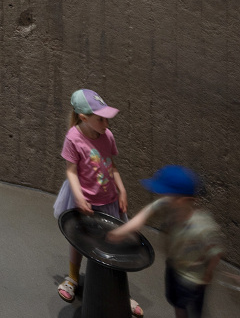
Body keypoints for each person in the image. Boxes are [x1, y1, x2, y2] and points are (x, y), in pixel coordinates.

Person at [112, 166, 225, 318]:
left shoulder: (202, 226)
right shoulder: (167, 204)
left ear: (183, 200)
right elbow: (142, 217)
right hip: (174, 267)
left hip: (193, 280)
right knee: (177, 304)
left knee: (193, 311)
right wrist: (119, 232)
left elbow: (215, 251)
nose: (161, 196)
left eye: (166, 194)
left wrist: (208, 273)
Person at [57, 87, 130, 304]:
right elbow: (70, 170)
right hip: (85, 199)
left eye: (106, 119)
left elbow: (112, 166)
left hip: (109, 199)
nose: (106, 125)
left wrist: (122, 190)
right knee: (80, 240)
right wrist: (79, 197)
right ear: (83, 117)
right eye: (100, 120)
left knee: (112, 242)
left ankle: (120, 292)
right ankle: (72, 277)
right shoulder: (73, 138)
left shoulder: (107, 135)